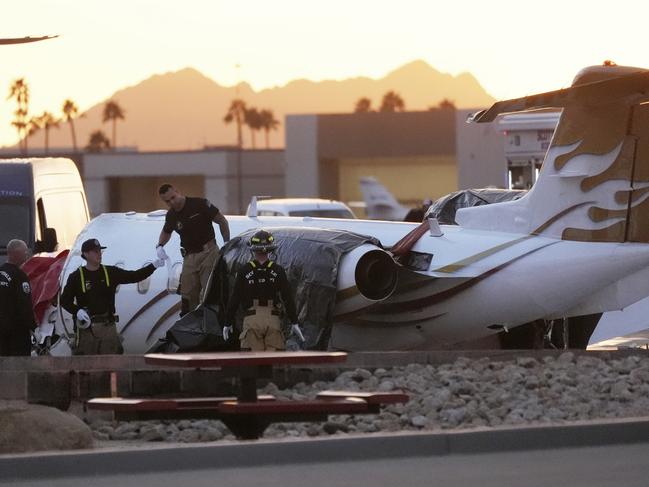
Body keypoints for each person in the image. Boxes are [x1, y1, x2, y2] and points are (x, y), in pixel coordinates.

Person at [60, 238, 164, 355]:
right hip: (87, 330)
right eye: (95, 252)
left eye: (100, 251)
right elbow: (64, 301)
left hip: (107, 327)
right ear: (86, 254)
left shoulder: (110, 272)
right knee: (87, 365)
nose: (99, 254)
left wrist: (154, 266)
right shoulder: (76, 277)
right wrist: (77, 311)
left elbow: (134, 276)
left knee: (112, 363)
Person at [223, 230, 305, 351]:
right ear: (271, 249)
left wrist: (227, 322)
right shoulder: (278, 271)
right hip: (273, 319)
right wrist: (294, 321)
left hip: (252, 320)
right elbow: (287, 298)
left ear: (253, 249)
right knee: (273, 360)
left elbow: (235, 298)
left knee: (253, 362)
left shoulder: (244, 271)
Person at [156, 184, 230, 314]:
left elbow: (221, 220)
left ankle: (213, 326)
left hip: (208, 252)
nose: (172, 202)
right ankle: (189, 326)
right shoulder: (172, 215)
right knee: (188, 295)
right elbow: (166, 231)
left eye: (173, 197)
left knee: (210, 291)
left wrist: (227, 243)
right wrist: (160, 245)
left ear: (178, 191)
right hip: (189, 256)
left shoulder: (199, 204)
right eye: (167, 201)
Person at [0, 239, 37, 356]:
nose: (27, 255)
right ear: (17, 254)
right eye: (25, 252)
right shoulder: (20, 276)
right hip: (17, 331)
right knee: (19, 365)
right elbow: (24, 304)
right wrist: (33, 326)